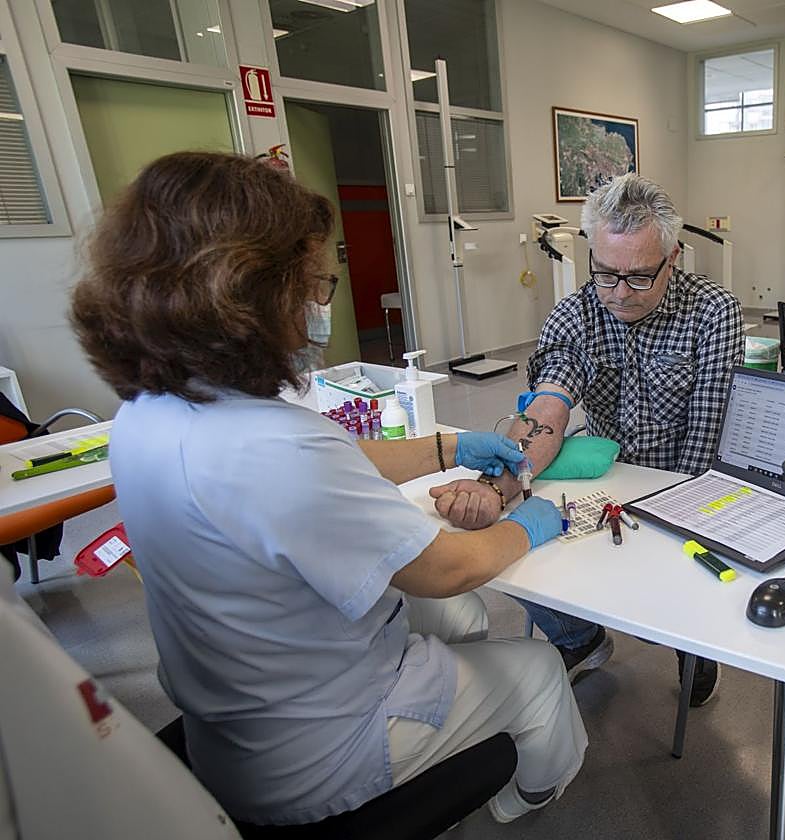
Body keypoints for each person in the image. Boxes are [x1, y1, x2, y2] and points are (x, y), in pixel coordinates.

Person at [69, 151, 587, 827]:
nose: (320, 307)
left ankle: (460, 707)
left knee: (455, 626)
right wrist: (535, 521)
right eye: (314, 287)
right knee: (537, 673)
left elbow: (331, 458)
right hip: (319, 756)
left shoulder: (144, 418)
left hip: (235, 723)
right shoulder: (276, 449)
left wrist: (448, 446)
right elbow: (447, 569)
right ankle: (526, 794)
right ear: (251, 294)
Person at [428, 173, 745, 707]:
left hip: (683, 479)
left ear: (674, 259)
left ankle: (693, 646)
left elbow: (706, 438)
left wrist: (673, 535)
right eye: (606, 273)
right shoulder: (575, 314)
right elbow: (548, 411)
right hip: (608, 475)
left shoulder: (713, 312)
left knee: (674, 587)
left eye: (641, 277)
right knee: (512, 542)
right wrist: (497, 486)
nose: (619, 293)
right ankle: (581, 639)